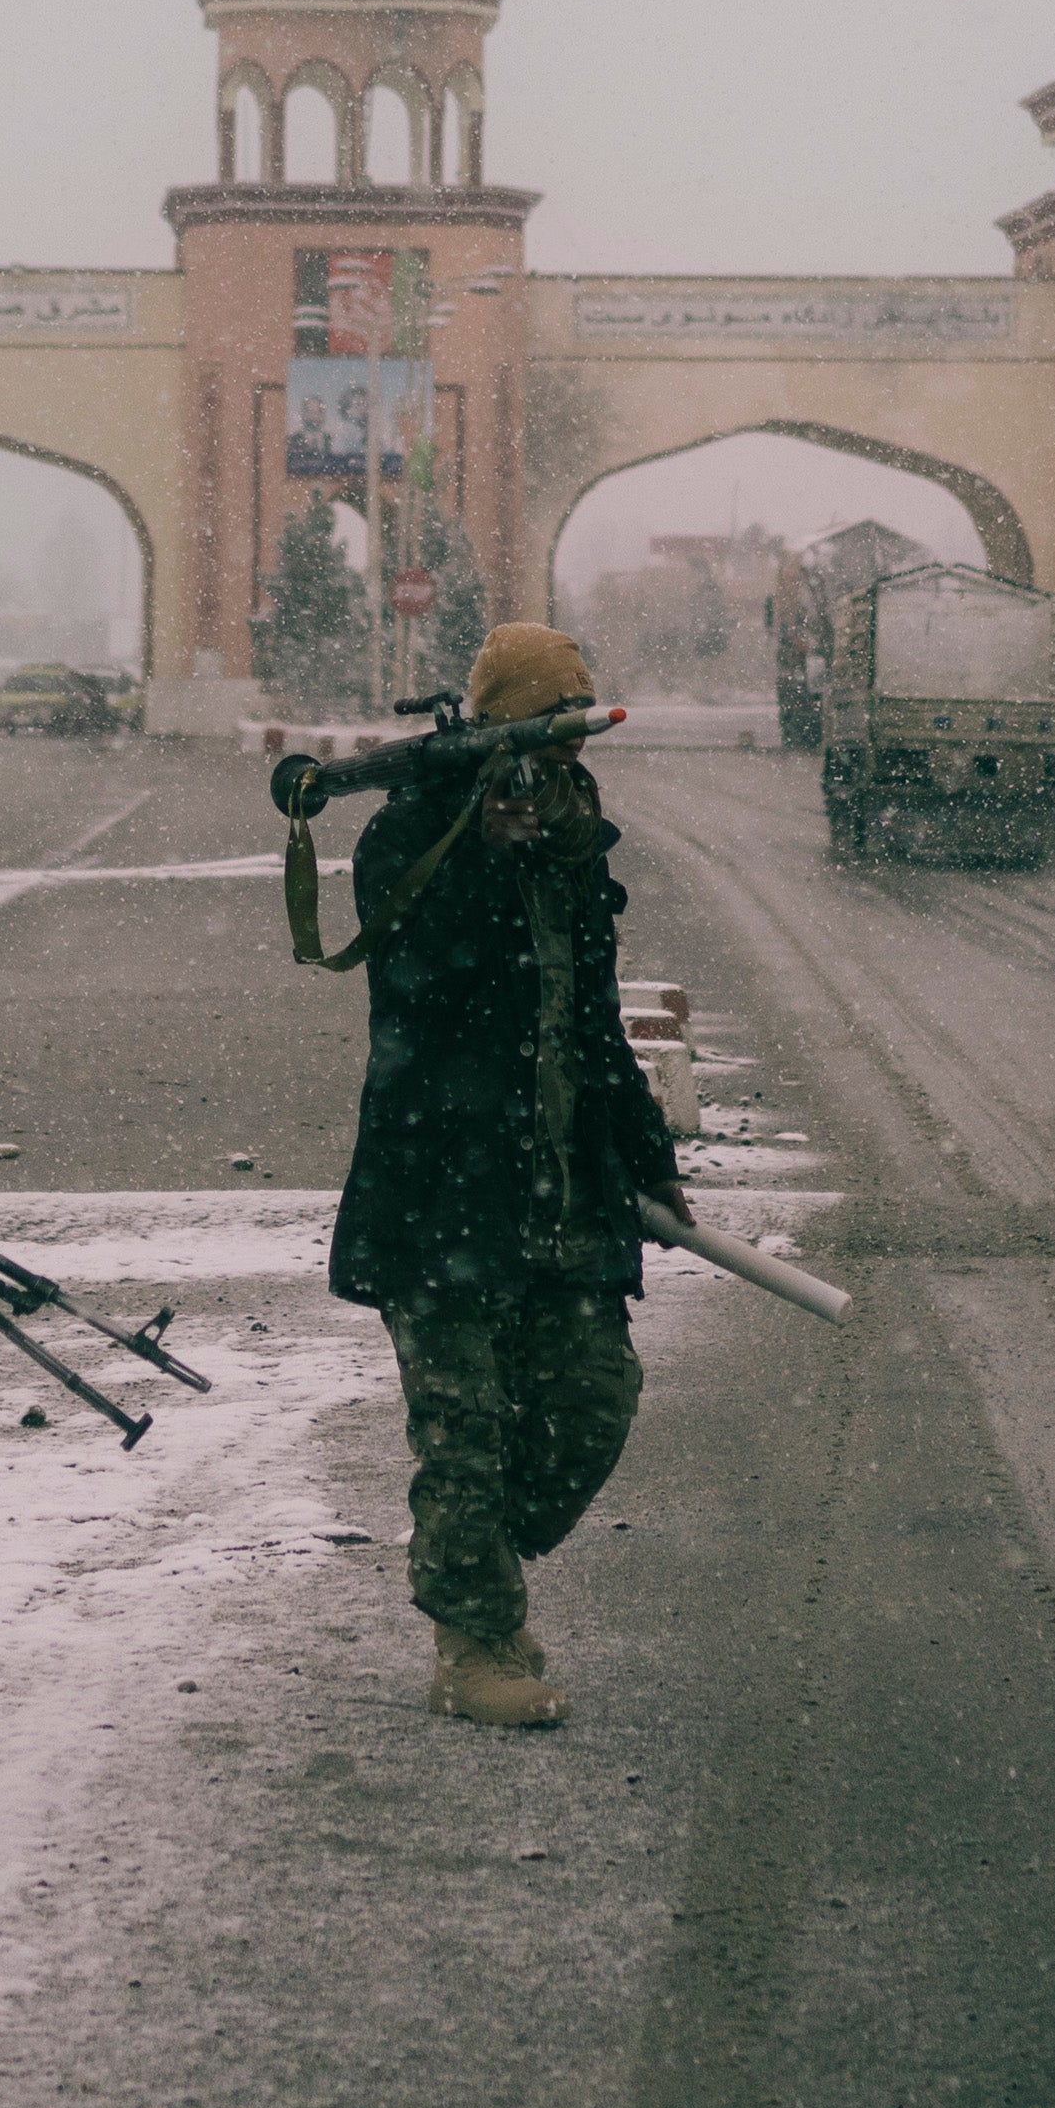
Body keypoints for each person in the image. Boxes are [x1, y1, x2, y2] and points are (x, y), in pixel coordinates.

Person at [327, 624, 672, 1729]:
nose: (561, 757)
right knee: (462, 1426)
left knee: (591, 1399)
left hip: (564, 1186)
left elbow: (593, 1021)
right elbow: (421, 982)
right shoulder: (409, 832)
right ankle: (471, 1636)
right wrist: (478, 840)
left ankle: (474, 1563)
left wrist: (647, 1161)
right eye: (548, 716)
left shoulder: (574, 847)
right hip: (444, 1189)